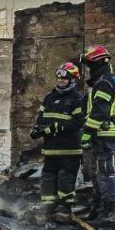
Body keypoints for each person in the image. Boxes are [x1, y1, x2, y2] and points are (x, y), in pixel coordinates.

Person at [30, 63, 84, 218]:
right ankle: (47, 209)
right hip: (50, 149)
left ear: (73, 80)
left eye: (64, 79)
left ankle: (64, 209)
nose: (60, 81)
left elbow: (76, 123)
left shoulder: (77, 99)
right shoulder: (49, 98)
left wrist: (53, 128)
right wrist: (36, 130)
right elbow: (41, 118)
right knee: (47, 179)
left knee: (65, 180)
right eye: (59, 79)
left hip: (69, 150)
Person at [80, 45, 115, 224]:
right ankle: (98, 209)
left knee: (106, 172)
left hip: (105, 133)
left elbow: (99, 111)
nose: (89, 69)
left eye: (91, 65)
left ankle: (110, 213)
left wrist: (87, 133)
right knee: (98, 172)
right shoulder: (108, 81)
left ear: (100, 63)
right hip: (104, 133)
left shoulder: (104, 83)